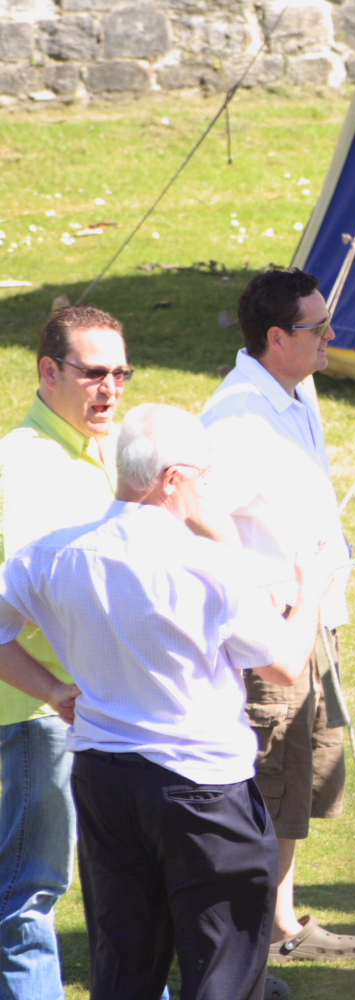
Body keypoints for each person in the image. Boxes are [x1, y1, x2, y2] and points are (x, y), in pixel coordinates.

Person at [0, 403, 331, 1000]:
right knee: (223, 971)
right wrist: (310, 593)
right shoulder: (208, 566)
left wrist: (51, 691)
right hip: (203, 793)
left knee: (125, 967)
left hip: (104, 782)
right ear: (172, 479)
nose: (210, 490)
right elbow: (284, 666)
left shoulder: (54, 554)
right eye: (204, 476)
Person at [199, 268, 355, 966]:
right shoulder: (238, 415)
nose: (331, 336)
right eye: (316, 327)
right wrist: (252, 589)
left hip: (314, 621)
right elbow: (197, 514)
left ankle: (279, 920)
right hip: (271, 635)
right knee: (268, 779)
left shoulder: (294, 391)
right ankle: (250, 935)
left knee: (302, 775)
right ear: (276, 338)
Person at [0, 304, 128, 1000]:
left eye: (121, 373)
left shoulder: (100, 447)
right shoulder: (23, 463)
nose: (109, 388)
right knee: (31, 890)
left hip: (98, 702)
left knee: (123, 878)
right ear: (49, 372)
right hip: (38, 709)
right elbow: (31, 592)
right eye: (93, 373)